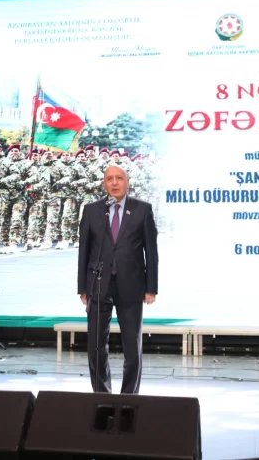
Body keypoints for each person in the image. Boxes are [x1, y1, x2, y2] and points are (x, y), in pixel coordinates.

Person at [77, 165, 159, 394]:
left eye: (119, 178)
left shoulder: (142, 210)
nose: (114, 183)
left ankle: (129, 397)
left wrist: (151, 288)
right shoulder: (92, 210)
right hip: (98, 285)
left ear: (127, 181)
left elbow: (151, 253)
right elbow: (84, 251)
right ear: (104, 183)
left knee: (132, 347)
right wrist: (82, 287)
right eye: (109, 179)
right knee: (95, 346)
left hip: (131, 285)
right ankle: (101, 395)